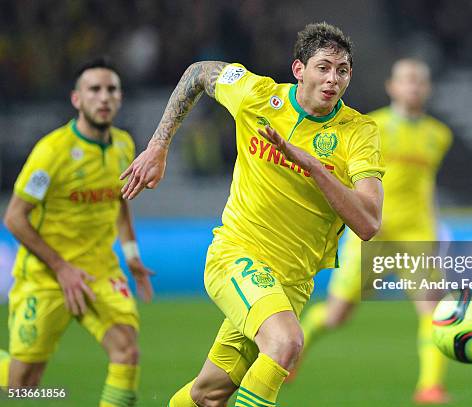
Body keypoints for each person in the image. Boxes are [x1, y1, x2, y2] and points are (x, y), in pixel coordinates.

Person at [120, 22, 385, 407]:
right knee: (286, 342)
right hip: (237, 256)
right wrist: (159, 145)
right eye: (323, 67)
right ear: (299, 70)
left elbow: (369, 223)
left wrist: (312, 166)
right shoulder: (258, 96)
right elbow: (198, 73)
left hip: (292, 283)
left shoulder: (359, 132)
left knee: (209, 394)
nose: (333, 79)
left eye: (342, 70)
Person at [297, 58, 453, 404]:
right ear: (392, 87)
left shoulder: (438, 136)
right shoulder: (370, 126)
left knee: (433, 308)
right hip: (372, 231)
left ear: (426, 89)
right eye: (407, 80)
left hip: (416, 233)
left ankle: (430, 386)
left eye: (420, 81)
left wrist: (437, 228)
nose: (413, 86)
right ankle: (296, 349)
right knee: (337, 314)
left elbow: (425, 185)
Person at [0, 57, 154, 407]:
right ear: (76, 99)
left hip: (99, 269)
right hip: (46, 276)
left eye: (111, 90)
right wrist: (61, 268)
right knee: (22, 385)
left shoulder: (124, 146)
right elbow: (14, 218)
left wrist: (131, 256)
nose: (104, 97)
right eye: (94, 90)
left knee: (127, 352)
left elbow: (120, 202)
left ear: (120, 97)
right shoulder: (51, 153)